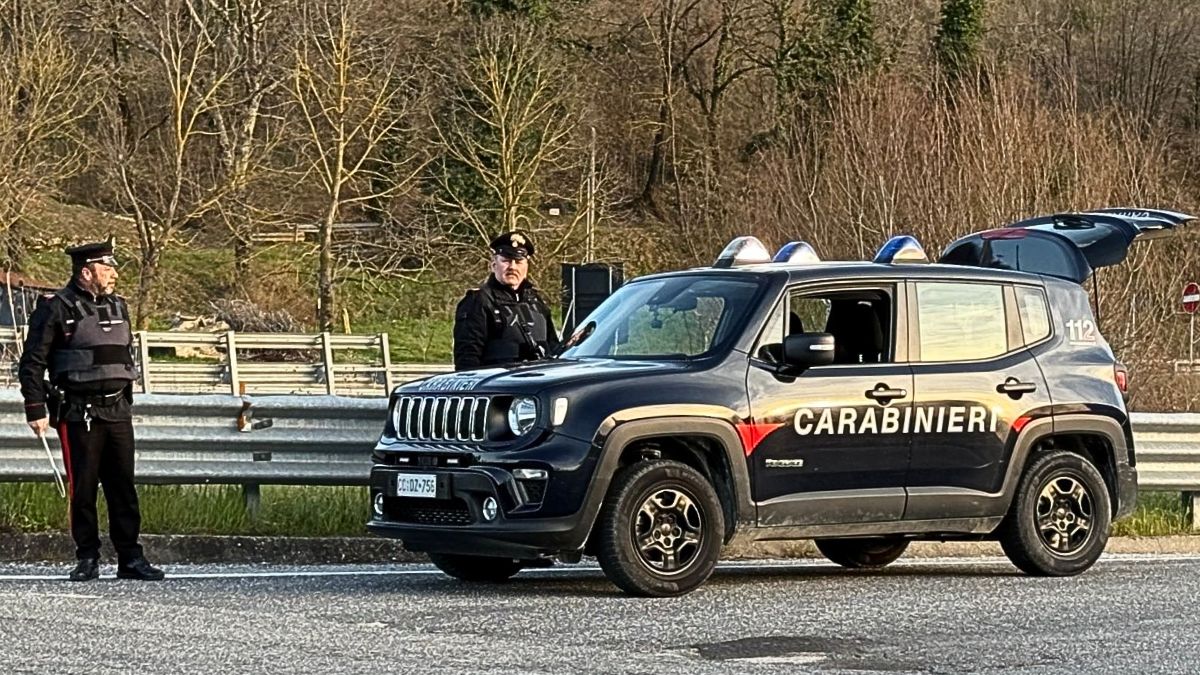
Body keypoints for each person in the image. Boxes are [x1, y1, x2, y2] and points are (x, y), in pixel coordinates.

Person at [18, 239, 164, 582]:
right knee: (82, 489)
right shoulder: (55, 307)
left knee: (123, 488)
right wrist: (35, 408)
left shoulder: (119, 306)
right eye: (106, 268)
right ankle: (87, 557)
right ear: (86, 272)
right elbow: (32, 363)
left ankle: (130, 557)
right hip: (77, 412)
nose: (113, 274)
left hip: (117, 410)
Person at [453, 231, 560, 371]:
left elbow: (553, 348)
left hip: (534, 386)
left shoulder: (536, 303)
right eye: (506, 261)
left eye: (519, 261)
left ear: (527, 267)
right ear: (493, 265)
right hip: (497, 388)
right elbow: (467, 360)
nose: (512, 267)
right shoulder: (479, 301)